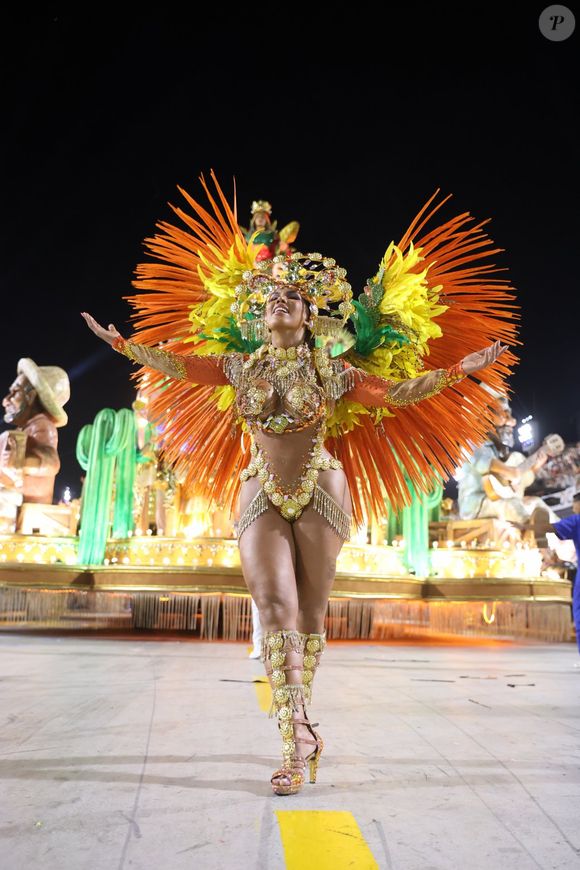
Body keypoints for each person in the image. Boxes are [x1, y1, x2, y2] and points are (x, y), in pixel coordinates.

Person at [81, 174, 517, 795]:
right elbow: (178, 364)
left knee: (310, 613)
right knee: (274, 607)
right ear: (260, 317)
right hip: (259, 486)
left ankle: (300, 724)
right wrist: (124, 346)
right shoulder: (236, 366)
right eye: (270, 300)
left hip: (321, 485)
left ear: (310, 315)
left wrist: (457, 371)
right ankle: (298, 740)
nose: (278, 303)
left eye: (291, 298)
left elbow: (395, 393)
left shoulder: (334, 372)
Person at [457, 387, 556, 536]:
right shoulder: (472, 441)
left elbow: (515, 481)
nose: (512, 422)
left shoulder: (499, 450)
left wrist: (535, 467)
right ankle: (533, 534)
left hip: (498, 500)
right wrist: (512, 472)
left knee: (535, 503)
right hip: (477, 504)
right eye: (505, 414)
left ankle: (565, 539)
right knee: (512, 505)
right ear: (486, 414)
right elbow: (482, 462)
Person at [0, 359, 70, 533]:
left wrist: (21, 462)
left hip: (25, 502)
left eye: (14, 393)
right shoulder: (23, 429)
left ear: (30, 397)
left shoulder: (43, 426)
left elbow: (51, 463)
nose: (5, 401)